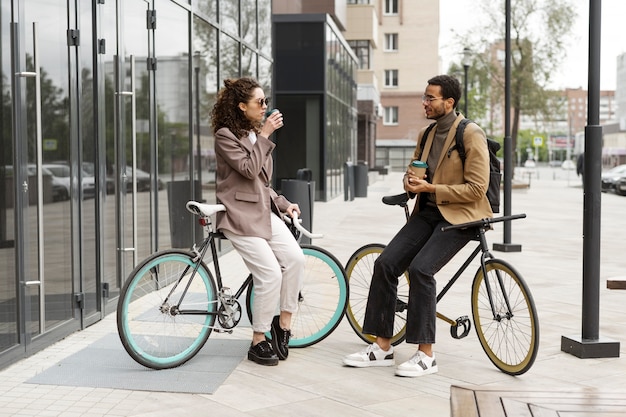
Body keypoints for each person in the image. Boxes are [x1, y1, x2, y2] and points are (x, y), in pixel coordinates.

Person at [343, 75, 492, 377]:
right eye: (424, 97)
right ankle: (383, 346)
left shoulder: (471, 133)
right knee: (385, 263)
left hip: (461, 216)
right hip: (427, 212)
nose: (424, 102)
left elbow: (477, 188)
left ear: (449, 103)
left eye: (430, 98)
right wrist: (410, 184)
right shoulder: (426, 134)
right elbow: (413, 171)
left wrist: (431, 189)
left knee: (422, 269)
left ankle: (426, 355)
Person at [211, 77, 305, 366]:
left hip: (263, 212)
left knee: (296, 259)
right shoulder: (225, 136)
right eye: (259, 102)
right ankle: (258, 341)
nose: (265, 106)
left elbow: (262, 185)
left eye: (266, 101)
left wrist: (284, 203)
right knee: (270, 275)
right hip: (238, 215)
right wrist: (265, 135)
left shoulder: (254, 136)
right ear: (242, 106)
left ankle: (283, 325)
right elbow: (250, 171)